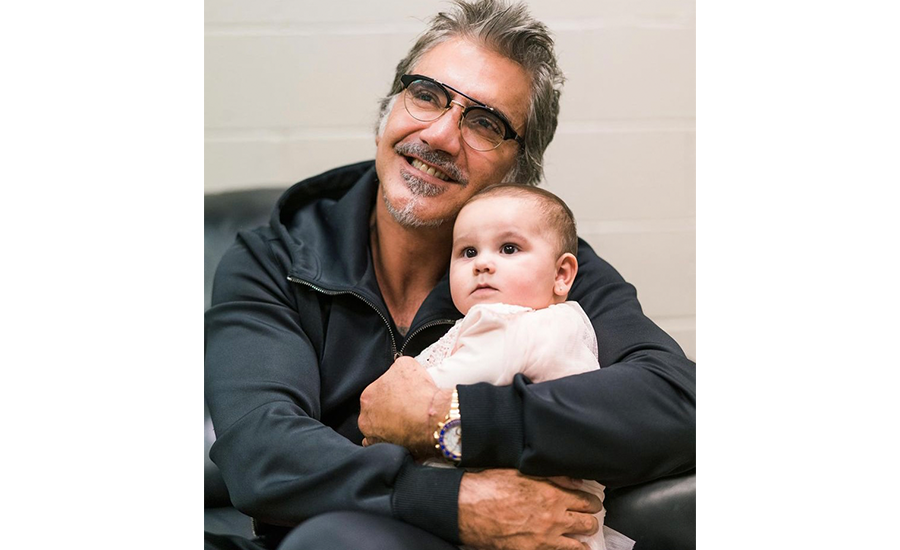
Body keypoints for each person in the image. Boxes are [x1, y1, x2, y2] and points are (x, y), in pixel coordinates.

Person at [204, 1, 696, 549]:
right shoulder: (276, 258)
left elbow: (680, 402)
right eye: (426, 96)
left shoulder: (538, 268)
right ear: (388, 111)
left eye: (484, 123)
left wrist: (449, 418)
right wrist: (451, 502)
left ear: (518, 170)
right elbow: (261, 448)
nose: (439, 135)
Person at [408, 184, 636, 550]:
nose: (482, 263)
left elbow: (432, 390)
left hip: (534, 520)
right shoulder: (534, 322)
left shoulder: (518, 325)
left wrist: (402, 382)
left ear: (562, 275)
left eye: (509, 248)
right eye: (468, 252)